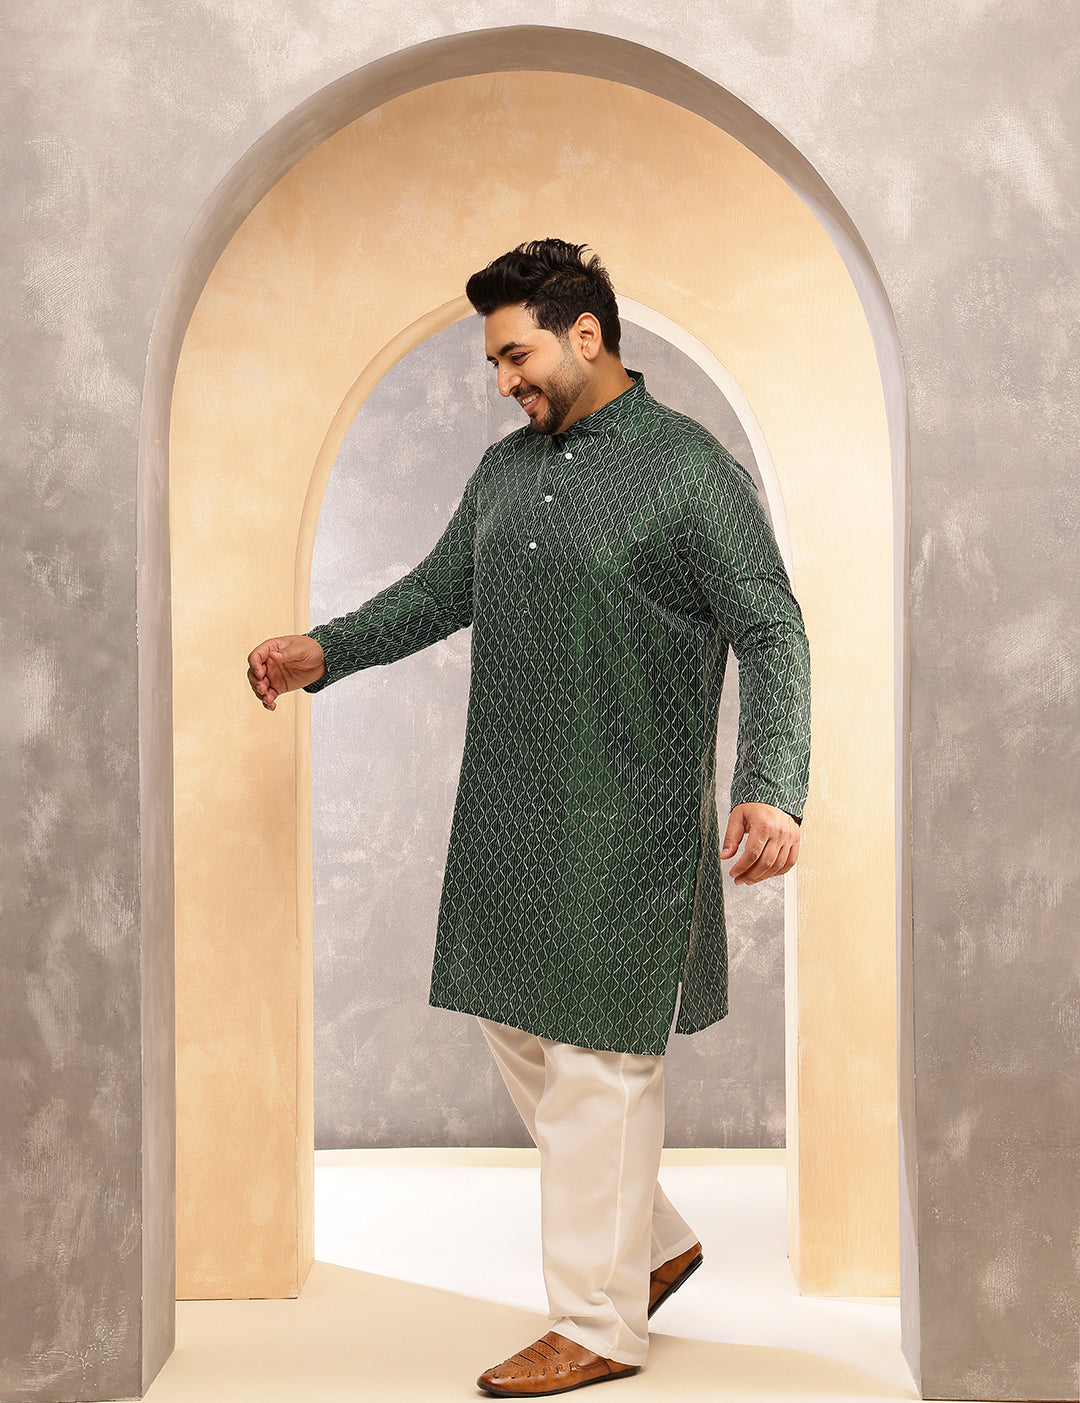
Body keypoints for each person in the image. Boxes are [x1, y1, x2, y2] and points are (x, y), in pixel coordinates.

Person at [247, 239, 811, 1396]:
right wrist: (323, 650)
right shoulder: (504, 473)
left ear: (585, 334)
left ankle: (597, 1323)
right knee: (518, 1022)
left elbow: (772, 626)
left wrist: (773, 779)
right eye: (495, 361)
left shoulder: (688, 471)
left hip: (631, 817)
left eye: (516, 354)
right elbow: (437, 591)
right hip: (508, 809)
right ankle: (652, 1241)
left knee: (602, 1060)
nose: (504, 379)